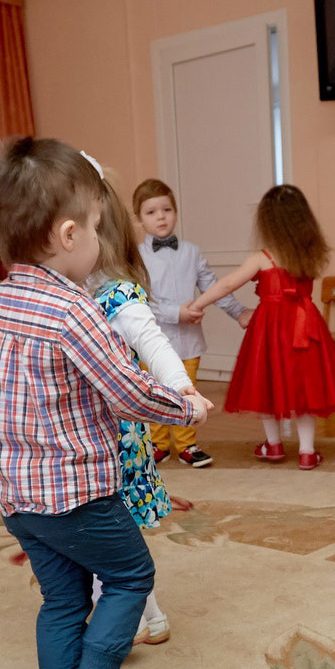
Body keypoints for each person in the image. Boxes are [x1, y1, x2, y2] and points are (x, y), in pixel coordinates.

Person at [0, 138, 207, 669]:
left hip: (17, 498)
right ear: (69, 235)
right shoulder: (73, 311)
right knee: (130, 577)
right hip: (78, 492)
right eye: (97, 227)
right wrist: (186, 406)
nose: (101, 240)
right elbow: (125, 392)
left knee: (63, 599)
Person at [91, 176, 206, 653]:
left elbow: (153, 342)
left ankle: (117, 627)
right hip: (79, 433)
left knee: (104, 532)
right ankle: (150, 616)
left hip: (111, 435)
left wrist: (182, 388)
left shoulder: (117, 294)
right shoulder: (59, 298)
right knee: (107, 536)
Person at [184, 185, 335, 470]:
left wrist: (197, 304)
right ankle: (307, 451)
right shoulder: (310, 256)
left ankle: (274, 446)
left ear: (268, 223)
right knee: (305, 389)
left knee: (266, 383)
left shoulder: (262, 258)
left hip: (270, 329)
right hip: (305, 326)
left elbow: (227, 284)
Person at [135, 178, 247, 468]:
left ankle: (187, 444)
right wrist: (176, 313)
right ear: (138, 219)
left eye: (167, 209)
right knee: (155, 390)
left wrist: (238, 312)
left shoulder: (191, 252)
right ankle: (158, 443)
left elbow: (212, 287)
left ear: (175, 212)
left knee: (187, 389)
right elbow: (140, 299)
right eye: (151, 212)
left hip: (188, 341)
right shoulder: (137, 256)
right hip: (152, 339)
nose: (161, 216)